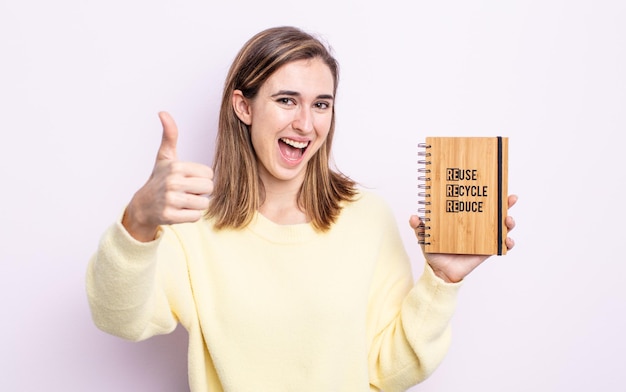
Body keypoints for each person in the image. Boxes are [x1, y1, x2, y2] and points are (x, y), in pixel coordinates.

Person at [86, 26, 517, 392]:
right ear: (244, 106)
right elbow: (120, 319)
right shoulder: (192, 224)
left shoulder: (366, 217)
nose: (306, 124)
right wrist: (138, 223)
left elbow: (389, 370)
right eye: (287, 100)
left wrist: (442, 281)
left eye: (321, 104)